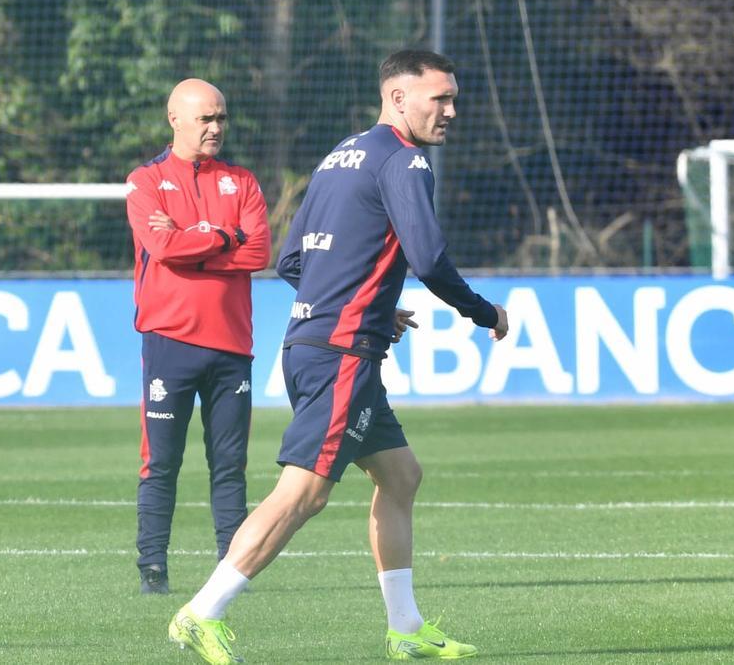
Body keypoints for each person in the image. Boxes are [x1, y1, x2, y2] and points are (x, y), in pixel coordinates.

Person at [167, 50, 509, 662]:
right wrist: (484, 311)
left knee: (401, 476)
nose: (452, 111)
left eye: (454, 98)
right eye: (441, 98)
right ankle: (202, 611)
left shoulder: (341, 155)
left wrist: (373, 308)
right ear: (399, 98)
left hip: (315, 342)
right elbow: (428, 260)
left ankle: (405, 628)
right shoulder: (406, 162)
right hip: (341, 352)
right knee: (304, 494)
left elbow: (292, 261)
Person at [124, 78, 271, 595]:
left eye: (221, 118)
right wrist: (224, 234)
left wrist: (197, 239)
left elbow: (258, 254)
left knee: (229, 465)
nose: (216, 127)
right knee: (161, 462)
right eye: (206, 118)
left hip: (232, 346)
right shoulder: (145, 181)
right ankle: (153, 569)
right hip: (169, 342)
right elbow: (161, 247)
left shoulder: (243, 182)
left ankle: (232, 572)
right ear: (175, 120)